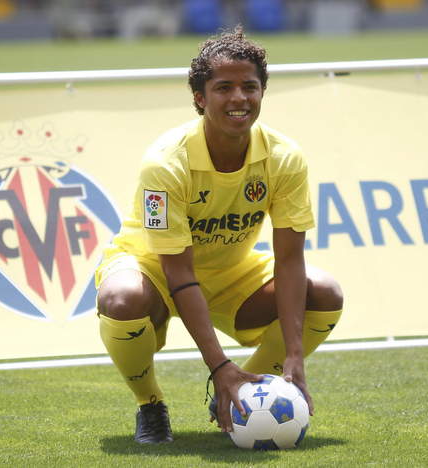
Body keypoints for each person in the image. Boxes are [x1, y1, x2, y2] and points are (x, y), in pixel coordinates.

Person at [95, 26, 343, 444]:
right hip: (154, 270)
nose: (239, 98)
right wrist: (218, 364)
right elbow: (178, 271)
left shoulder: (285, 157)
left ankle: (244, 389)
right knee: (122, 299)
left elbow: (289, 260)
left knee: (324, 292)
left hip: (230, 272)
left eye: (250, 87)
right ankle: (150, 405)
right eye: (224, 88)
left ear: (262, 92)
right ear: (200, 98)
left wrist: (295, 355)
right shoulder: (164, 163)